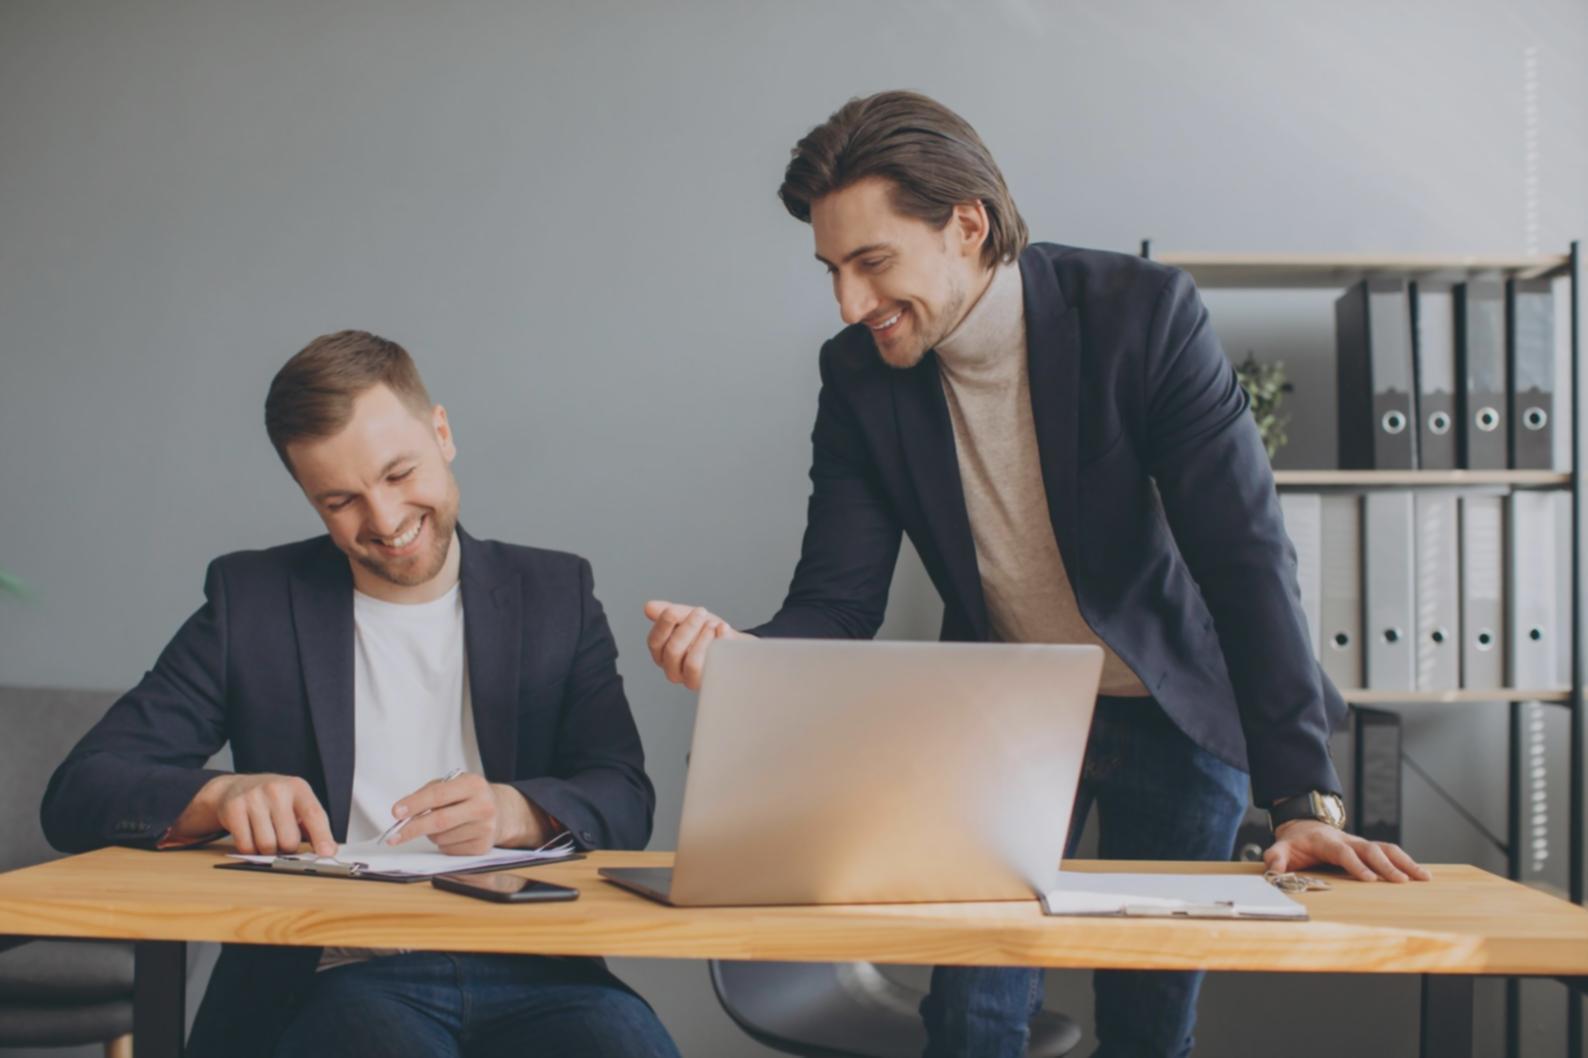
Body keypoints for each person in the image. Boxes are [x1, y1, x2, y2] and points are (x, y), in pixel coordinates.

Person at [643, 90, 1429, 1058]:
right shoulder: (857, 376)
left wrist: (1302, 797)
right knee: (969, 1017)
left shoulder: (1141, 315)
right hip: (1005, 721)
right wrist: (746, 659)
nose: (849, 302)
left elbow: (1243, 556)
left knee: (1147, 1022)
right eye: (832, 270)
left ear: (967, 225)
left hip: (1175, 706)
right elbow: (836, 603)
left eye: (872, 262)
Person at [42, 330, 680, 1058]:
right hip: (334, 972)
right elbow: (80, 790)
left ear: (442, 433)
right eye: (341, 500)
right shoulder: (252, 600)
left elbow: (623, 796)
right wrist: (219, 797)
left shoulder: (555, 592)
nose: (384, 520)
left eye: (399, 473)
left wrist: (514, 812)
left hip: (536, 963)